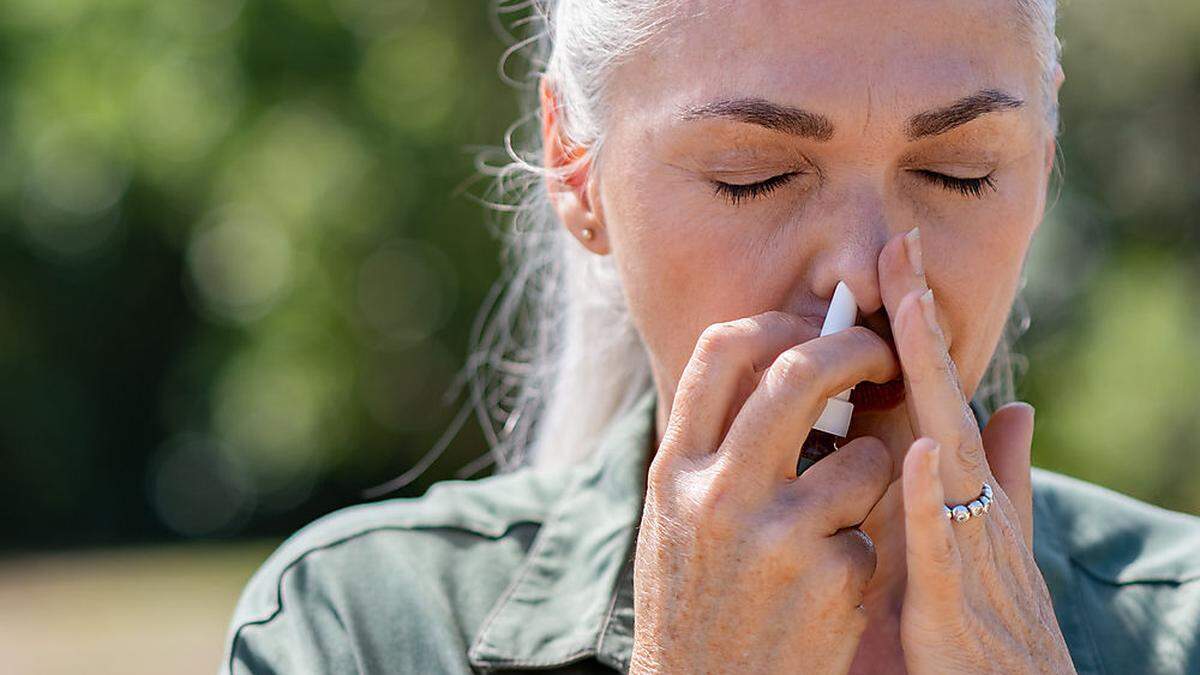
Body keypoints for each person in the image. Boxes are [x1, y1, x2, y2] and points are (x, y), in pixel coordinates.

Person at [221, 1, 1200, 673]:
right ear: (575, 166)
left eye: (959, 172)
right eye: (751, 175)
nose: (861, 273)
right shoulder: (362, 628)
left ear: (1044, 156)